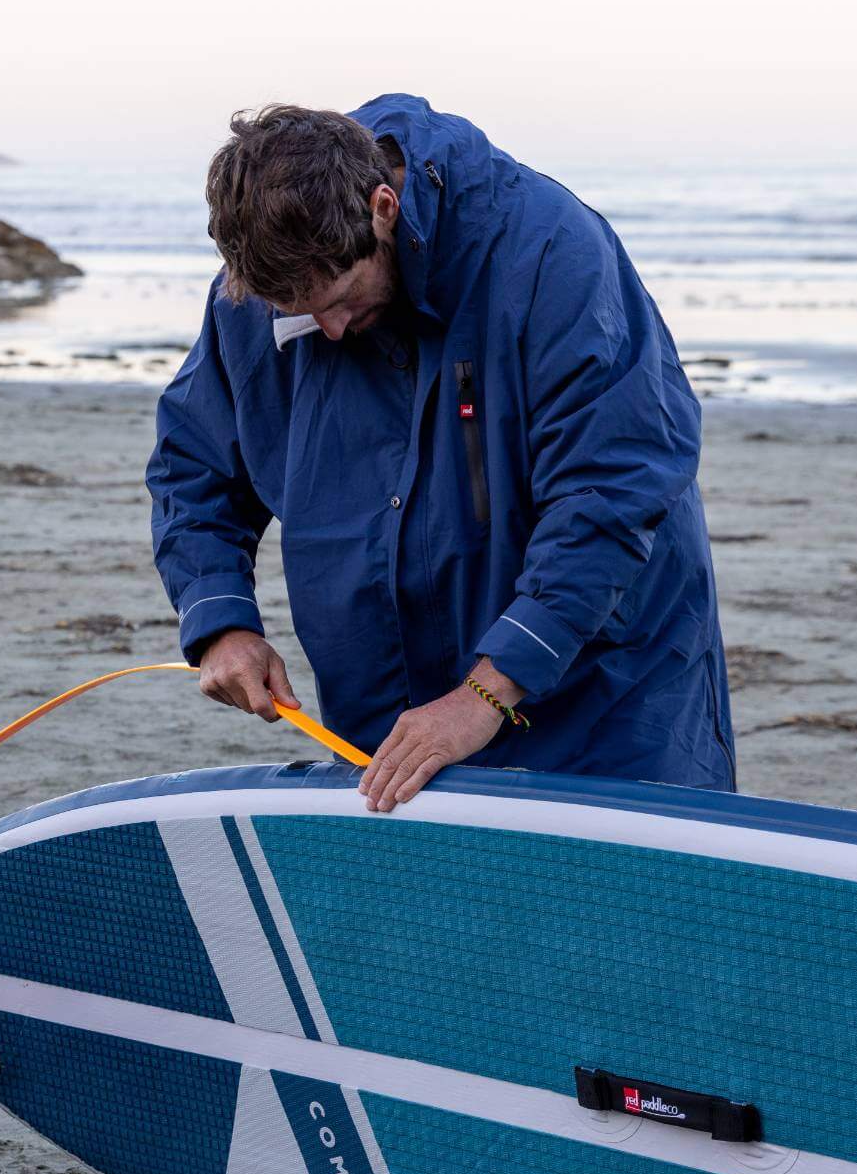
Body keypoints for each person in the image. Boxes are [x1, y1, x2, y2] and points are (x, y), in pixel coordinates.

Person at [146, 94, 734, 819]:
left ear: (383, 207)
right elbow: (194, 465)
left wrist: (486, 692)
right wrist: (220, 621)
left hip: (604, 698)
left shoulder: (552, 253)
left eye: (339, 298)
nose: (326, 329)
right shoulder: (264, 288)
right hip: (385, 723)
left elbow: (609, 492)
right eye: (298, 312)